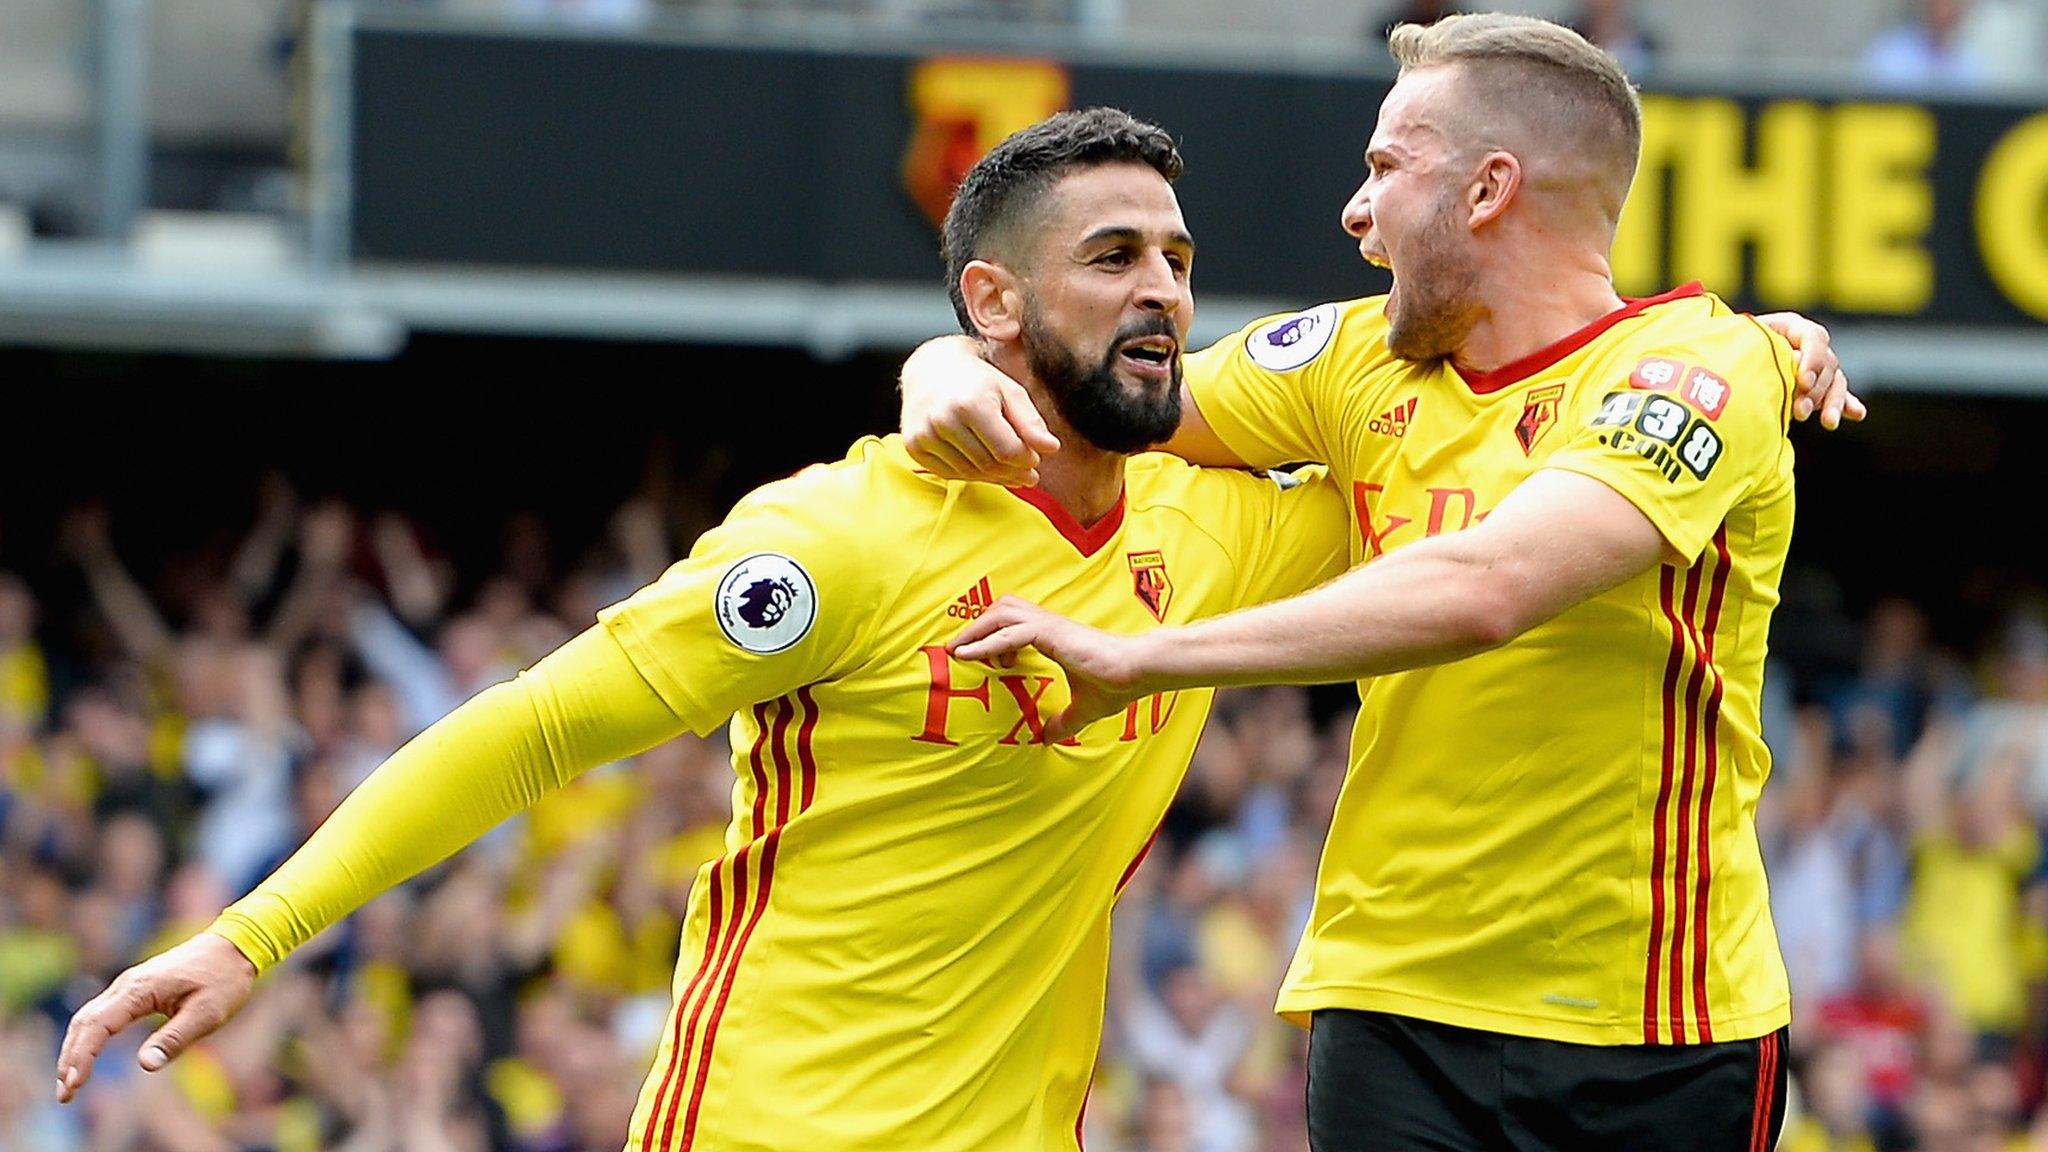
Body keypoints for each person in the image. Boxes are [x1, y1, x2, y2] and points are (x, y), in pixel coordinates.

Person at [52, 108, 1358, 1152]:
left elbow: (1422, 453)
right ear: (995, 301)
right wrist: (252, 937)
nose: (1165, 294)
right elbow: (539, 726)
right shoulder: (842, 535)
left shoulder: (1208, 537)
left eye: (1179, 261)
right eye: (1115, 256)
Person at [906, 14, 1863, 1151]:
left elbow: (1487, 588)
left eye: (1383, 169)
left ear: (1487, 189)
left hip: (1650, 1029)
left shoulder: (1703, 371)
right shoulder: (1357, 360)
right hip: (1388, 1005)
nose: (1355, 215)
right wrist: (943, 364)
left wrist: (1146, 659)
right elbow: (1103, 389)